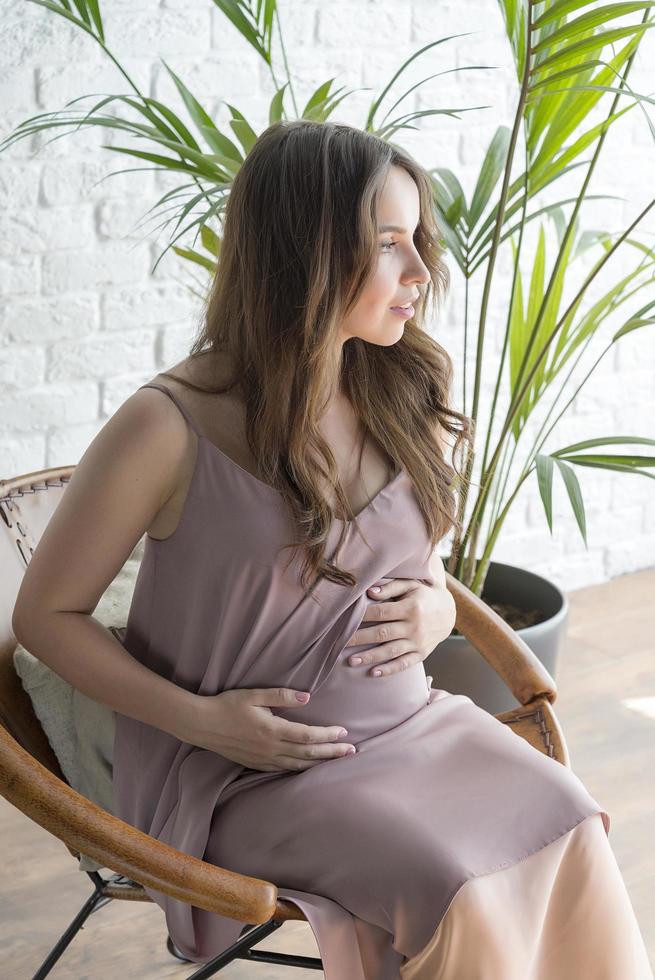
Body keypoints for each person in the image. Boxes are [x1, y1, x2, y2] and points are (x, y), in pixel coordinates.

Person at [12, 120, 652, 979]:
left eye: (417, 241)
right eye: (389, 245)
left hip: (416, 727)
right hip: (242, 775)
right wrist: (200, 720)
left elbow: (416, 554)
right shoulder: (165, 425)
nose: (420, 273)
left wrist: (432, 604)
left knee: (569, 819)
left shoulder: (400, 387)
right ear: (305, 254)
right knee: (447, 881)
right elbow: (46, 617)